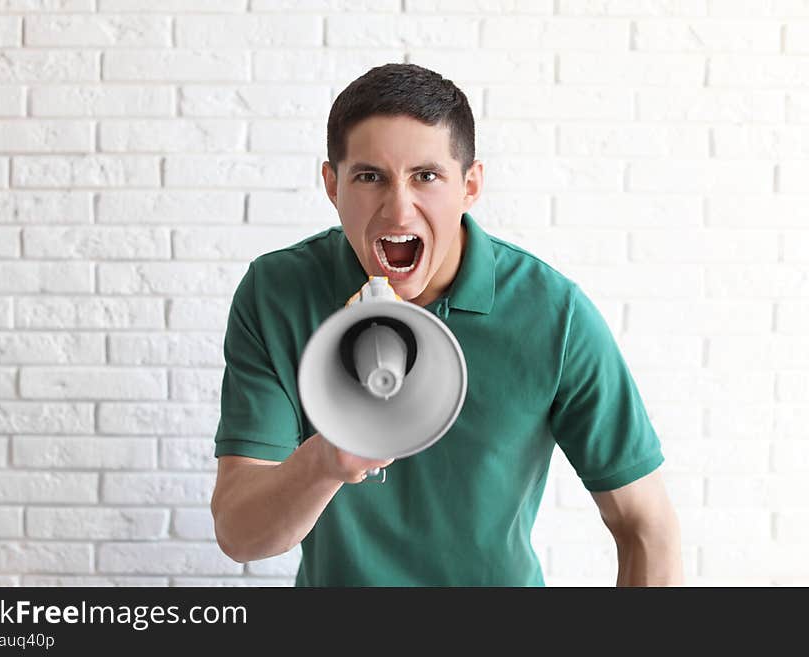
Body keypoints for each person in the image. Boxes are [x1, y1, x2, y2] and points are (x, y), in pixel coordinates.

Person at [210, 63, 683, 587]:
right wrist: (327, 457)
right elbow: (240, 534)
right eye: (369, 177)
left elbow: (646, 527)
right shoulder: (277, 293)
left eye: (426, 176)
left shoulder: (554, 313)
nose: (399, 210)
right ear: (331, 184)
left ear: (470, 185)